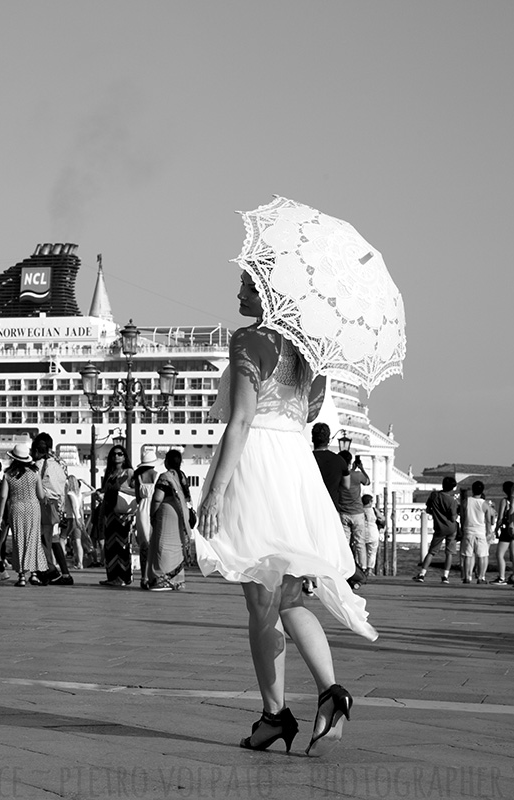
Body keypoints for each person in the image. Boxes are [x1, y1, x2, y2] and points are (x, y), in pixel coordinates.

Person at [196, 269, 376, 758]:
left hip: (258, 465)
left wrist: (215, 492)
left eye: (248, 286)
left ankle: (274, 717)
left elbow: (242, 420)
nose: (238, 292)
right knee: (293, 597)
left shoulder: (249, 339)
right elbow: (309, 412)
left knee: (261, 603)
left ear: (270, 295)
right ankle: (332, 692)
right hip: (295, 469)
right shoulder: (311, 355)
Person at [0, 443, 50, 587]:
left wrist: (1, 516)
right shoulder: (35, 473)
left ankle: (21, 577)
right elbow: (40, 495)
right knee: (33, 540)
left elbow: (3, 497)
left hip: (17, 507)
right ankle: (33, 574)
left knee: (19, 541)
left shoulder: (8, 475)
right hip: (33, 508)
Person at [146, 449, 192, 591]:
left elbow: (158, 497)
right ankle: (177, 580)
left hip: (167, 512)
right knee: (177, 545)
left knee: (163, 545)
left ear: (166, 462)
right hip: (181, 512)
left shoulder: (165, 476)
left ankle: (162, 579)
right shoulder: (181, 476)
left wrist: (152, 514)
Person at [32, 433, 73, 585]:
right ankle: (65, 573)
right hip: (57, 504)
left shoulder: (37, 466)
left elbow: (37, 487)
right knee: (53, 539)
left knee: (43, 540)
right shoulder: (59, 463)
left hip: (44, 504)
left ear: (37, 449)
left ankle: (50, 571)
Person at [97, 445, 135, 587]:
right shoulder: (110, 473)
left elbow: (136, 491)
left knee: (123, 546)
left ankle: (124, 577)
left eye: (120, 454)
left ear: (124, 456)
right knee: (110, 547)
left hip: (124, 514)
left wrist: (122, 489)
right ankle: (112, 577)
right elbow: (106, 491)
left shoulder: (129, 472)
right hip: (110, 514)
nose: (116, 457)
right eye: (114, 454)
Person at [414, 476, 459, 583]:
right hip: (451, 528)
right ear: (452, 488)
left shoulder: (434, 496)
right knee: (449, 553)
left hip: (439, 527)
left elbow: (428, 509)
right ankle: (445, 576)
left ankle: (422, 574)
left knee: (432, 552)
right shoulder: (452, 500)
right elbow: (453, 518)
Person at [337, 452, 370, 588]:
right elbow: (368, 481)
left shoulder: (338, 476)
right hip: (357, 513)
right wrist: (361, 468)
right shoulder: (357, 475)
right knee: (359, 543)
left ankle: (345, 568)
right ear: (351, 462)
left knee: (344, 543)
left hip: (343, 513)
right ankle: (362, 569)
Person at [131, 453, 160, 587]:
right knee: (155, 543)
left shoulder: (138, 477)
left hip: (142, 509)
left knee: (144, 544)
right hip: (155, 507)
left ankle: (143, 577)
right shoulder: (157, 475)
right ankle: (154, 576)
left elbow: (137, 497)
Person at [458, 481, 495, 584]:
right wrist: (488, 532)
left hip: (468, 531)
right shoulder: (485, 504)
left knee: (467, 555)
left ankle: (467, 577)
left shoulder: (466, 501)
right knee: (482, 556)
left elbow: (462, 517)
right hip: (480, 532)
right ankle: (481, 577)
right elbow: (488, 521)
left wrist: (462, 528)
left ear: (472, 489)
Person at [310, 424, 348, 514]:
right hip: (332, 509)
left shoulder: (305, 458)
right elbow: (347, 485)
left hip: (310, 508)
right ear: (328, 440)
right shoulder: (339, 460)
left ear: (312, 439)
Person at [492, 481, 514, 585]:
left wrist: (496, 528)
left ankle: (501, 577)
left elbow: (501, 518)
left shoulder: (504, 501)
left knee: (500, 554)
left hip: (506, 529)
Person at [361, 495, 382, 577]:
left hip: (361, 531)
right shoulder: (373, 510)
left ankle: (362, 568)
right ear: (370, 502)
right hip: (372, 532)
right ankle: (369, 570)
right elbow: (381, 518)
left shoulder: (359, 510)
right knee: (372, 552)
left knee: (361, 551)